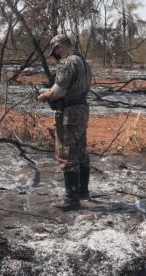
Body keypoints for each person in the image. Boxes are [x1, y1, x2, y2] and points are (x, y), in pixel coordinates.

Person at [37, 34, 92, 211]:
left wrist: (45, 95)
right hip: (82, 109)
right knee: (81, 150)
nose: (56, 56)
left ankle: (71, 200)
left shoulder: (67, 63)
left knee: (67, 154)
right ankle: (83, 192)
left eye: (56, 52)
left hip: (69, 113)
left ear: (61, 47)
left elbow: (58, 91)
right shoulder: (84, 62)